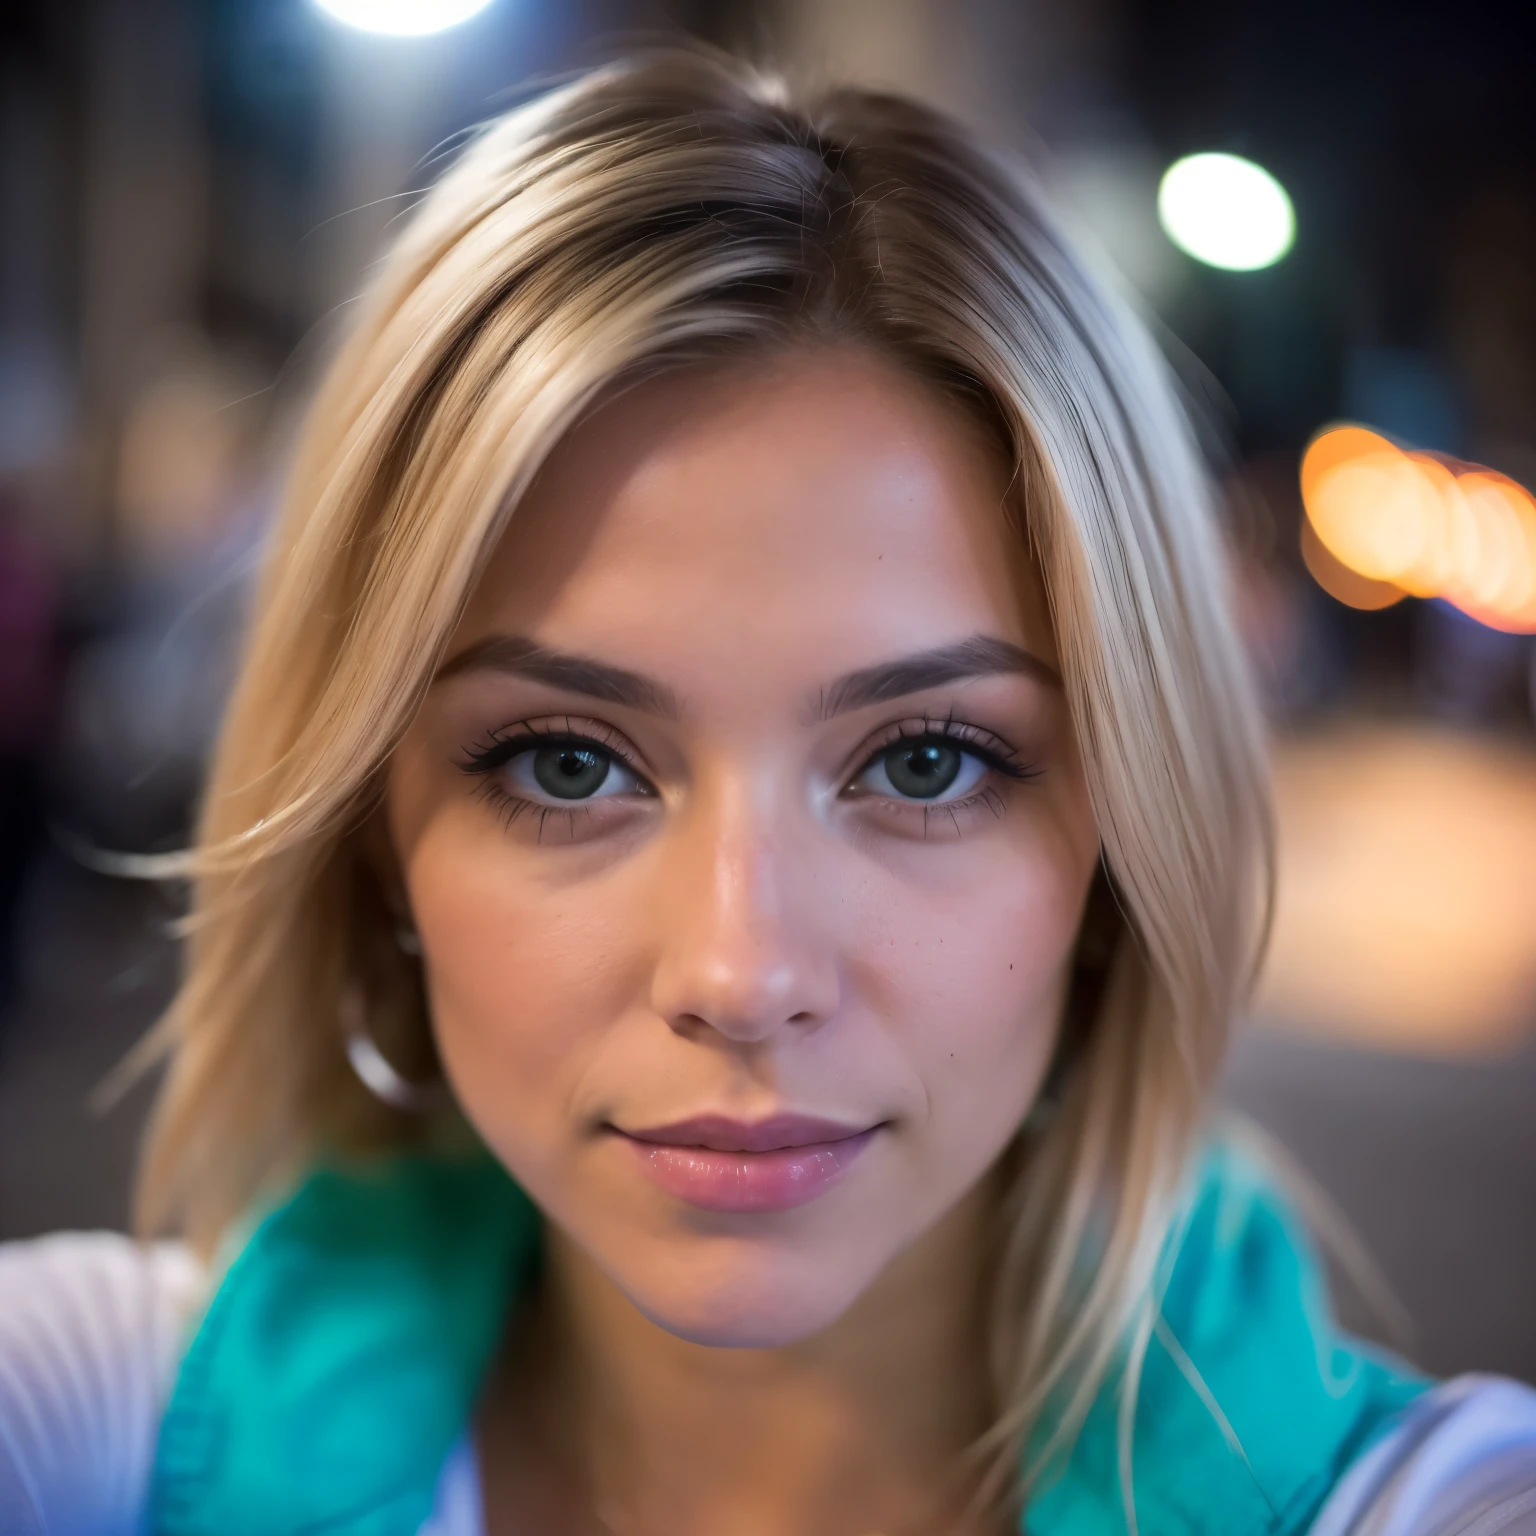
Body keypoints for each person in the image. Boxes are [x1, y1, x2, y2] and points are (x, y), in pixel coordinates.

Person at [2, 46, 1533, 1536]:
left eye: (926, 762)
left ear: (1122, 851)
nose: (742, 974)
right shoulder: (106, 1431)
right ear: (374, 850)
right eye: (567, 763)